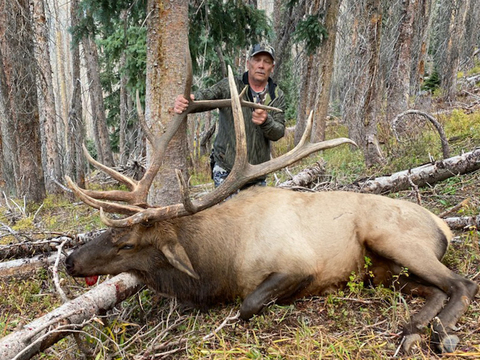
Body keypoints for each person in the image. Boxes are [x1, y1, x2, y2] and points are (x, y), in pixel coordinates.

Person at [174, 43, 286, 188]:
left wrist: (266, 121)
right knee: (227, 211)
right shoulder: (230, 85)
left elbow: (279, 132)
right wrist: (188, 101)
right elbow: (206, 96)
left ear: (272, 67)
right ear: (248, 63)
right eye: (257, 60)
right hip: (226, 170)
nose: (261, 65)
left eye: (267, 62)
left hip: (256, 175)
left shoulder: (276, 95)